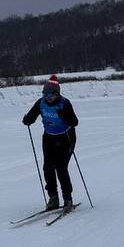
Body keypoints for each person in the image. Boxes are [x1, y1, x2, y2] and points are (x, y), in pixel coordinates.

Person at [22, 75, 79, 209]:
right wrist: (27, 120)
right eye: (45, 93)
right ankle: (53, 198)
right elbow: (32, 115)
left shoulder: (64, 103)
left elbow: (74, 122)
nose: (47, 97)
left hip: (66, 137)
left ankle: (67, 199)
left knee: (61, 167)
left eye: (50, 94)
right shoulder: (40, 103)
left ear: (57, 94)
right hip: (49, 137)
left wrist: (63, 115)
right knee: (47, 168)